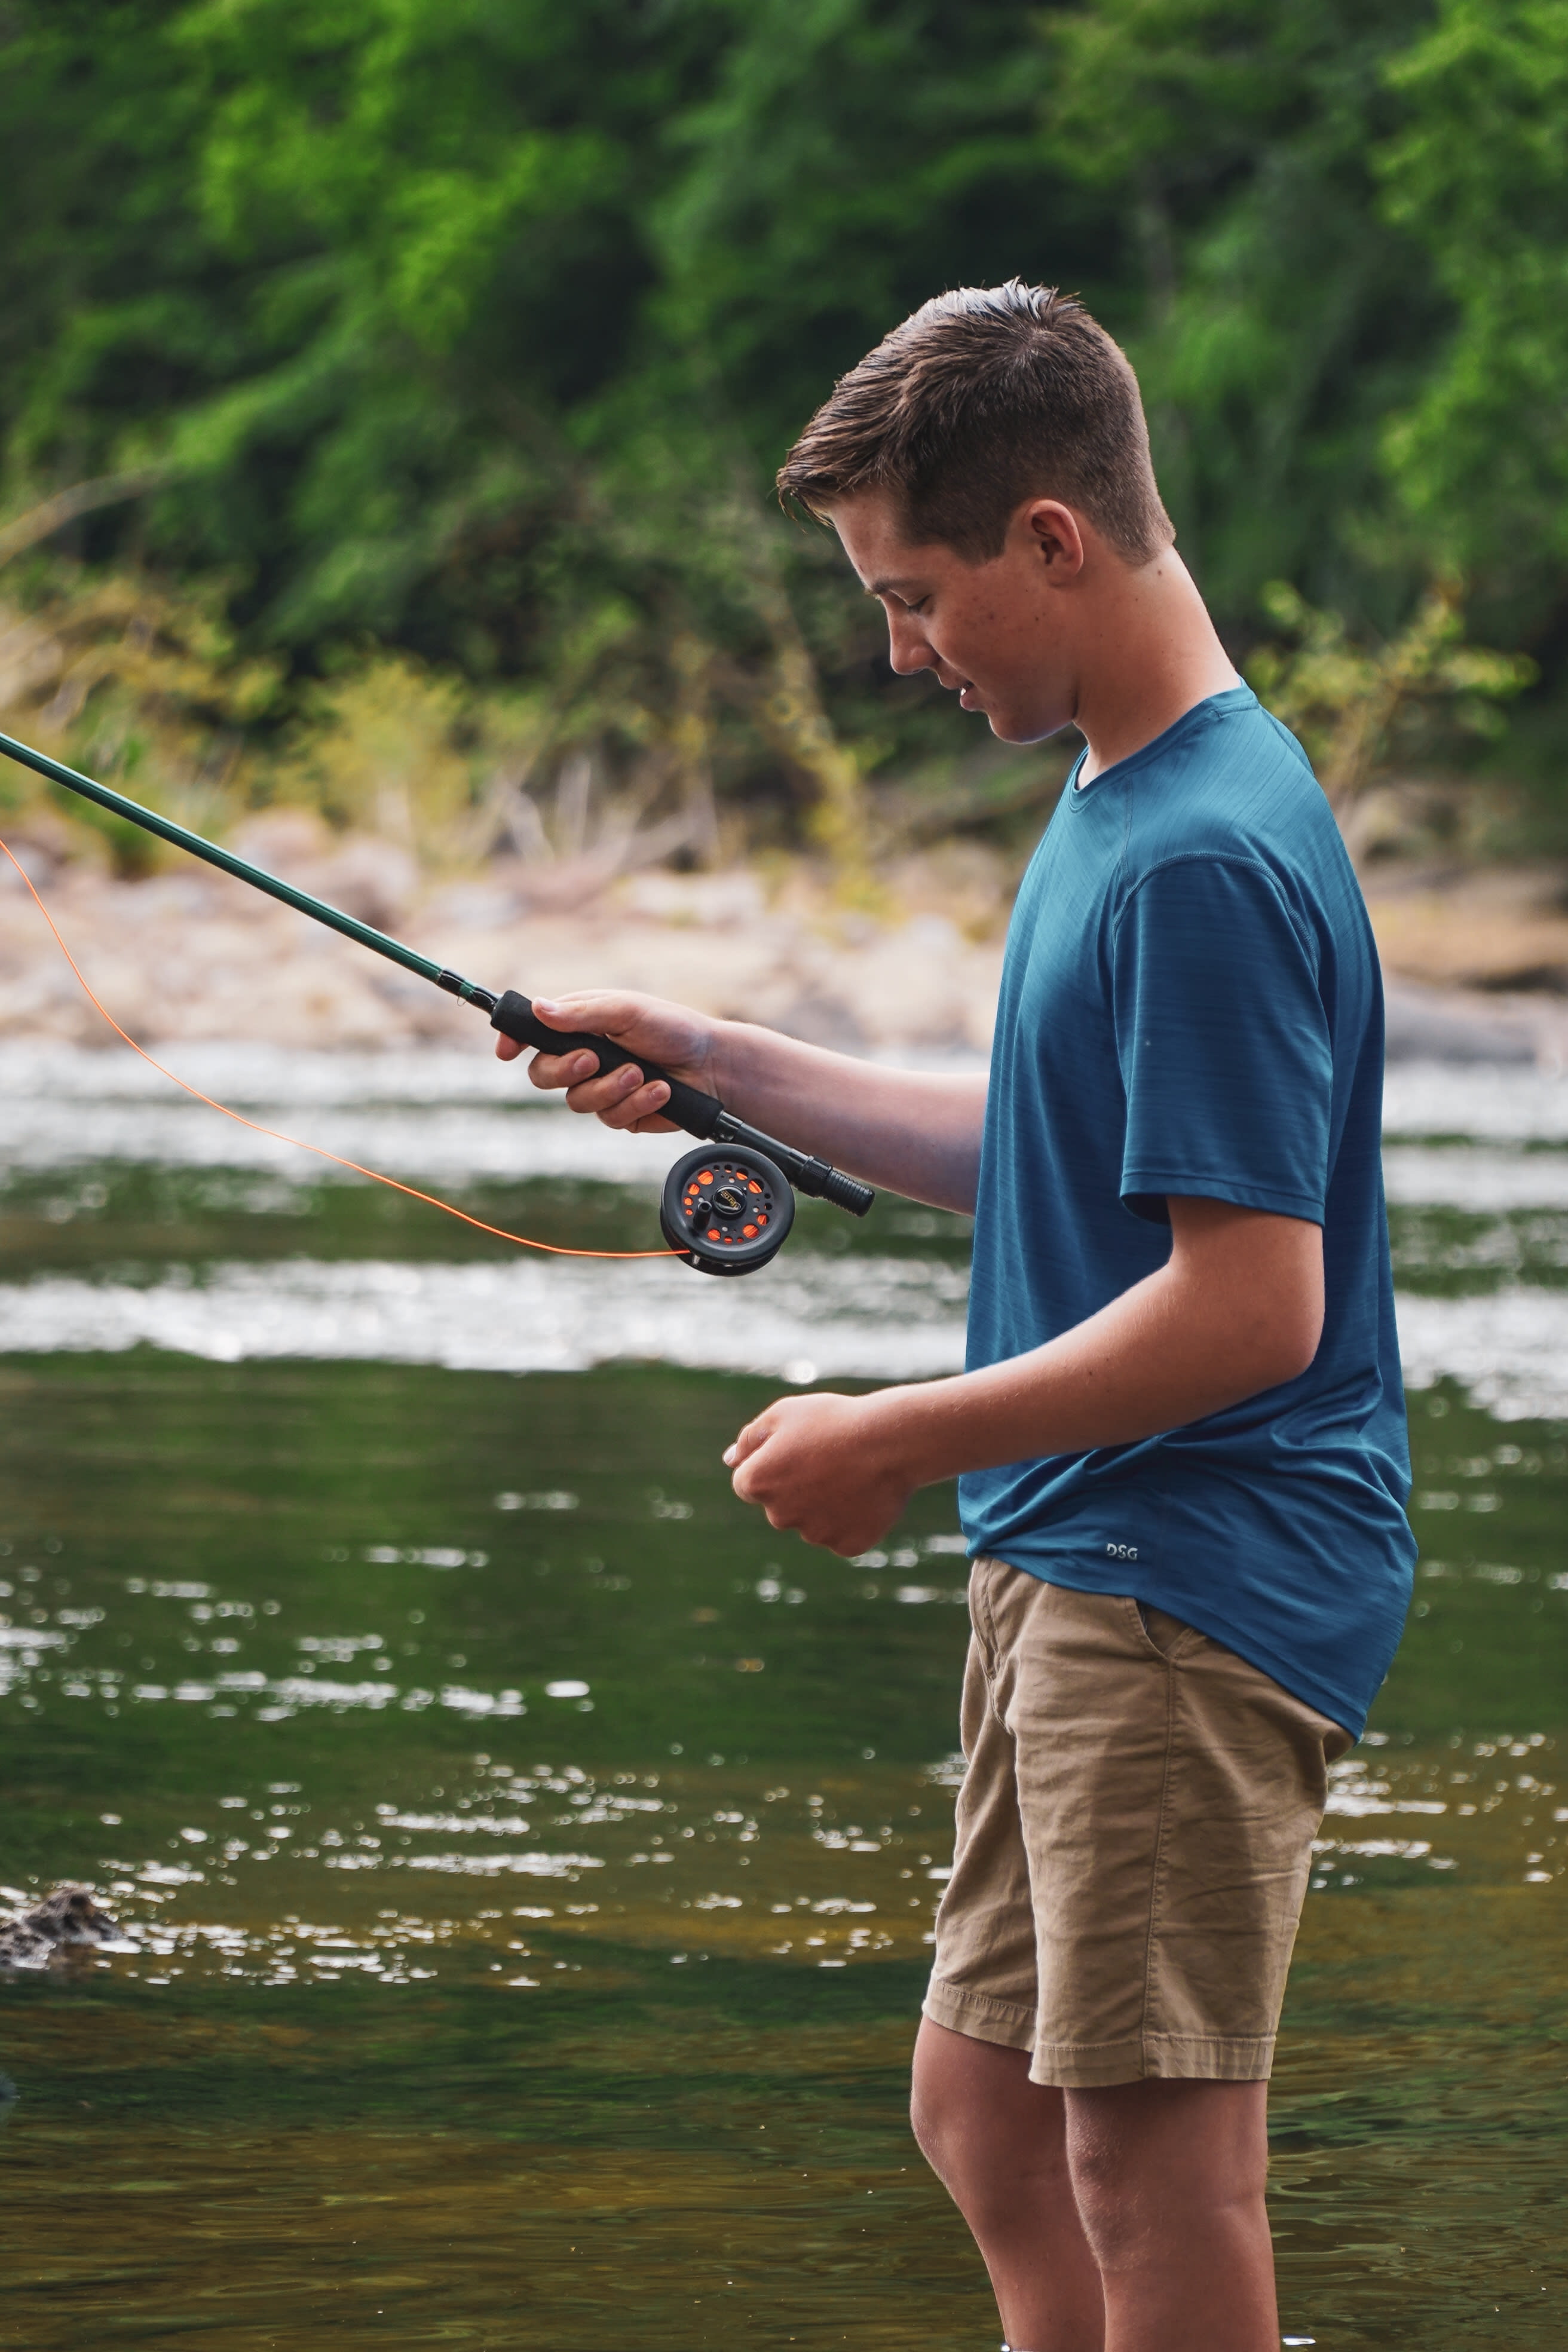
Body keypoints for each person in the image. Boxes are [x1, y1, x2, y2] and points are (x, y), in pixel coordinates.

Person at [496, 281, 1415, 2352]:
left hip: (1189, 1571)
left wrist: (897, 1433)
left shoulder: (1196, 857)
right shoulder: (1126, 791)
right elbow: (1057, 1147)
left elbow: (1253, 1310)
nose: (901, 653)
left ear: (1051, 540)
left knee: (1151, 2172)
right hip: (1089, 1550)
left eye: (913, 599)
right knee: (987, 2117)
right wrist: (724, 1057)